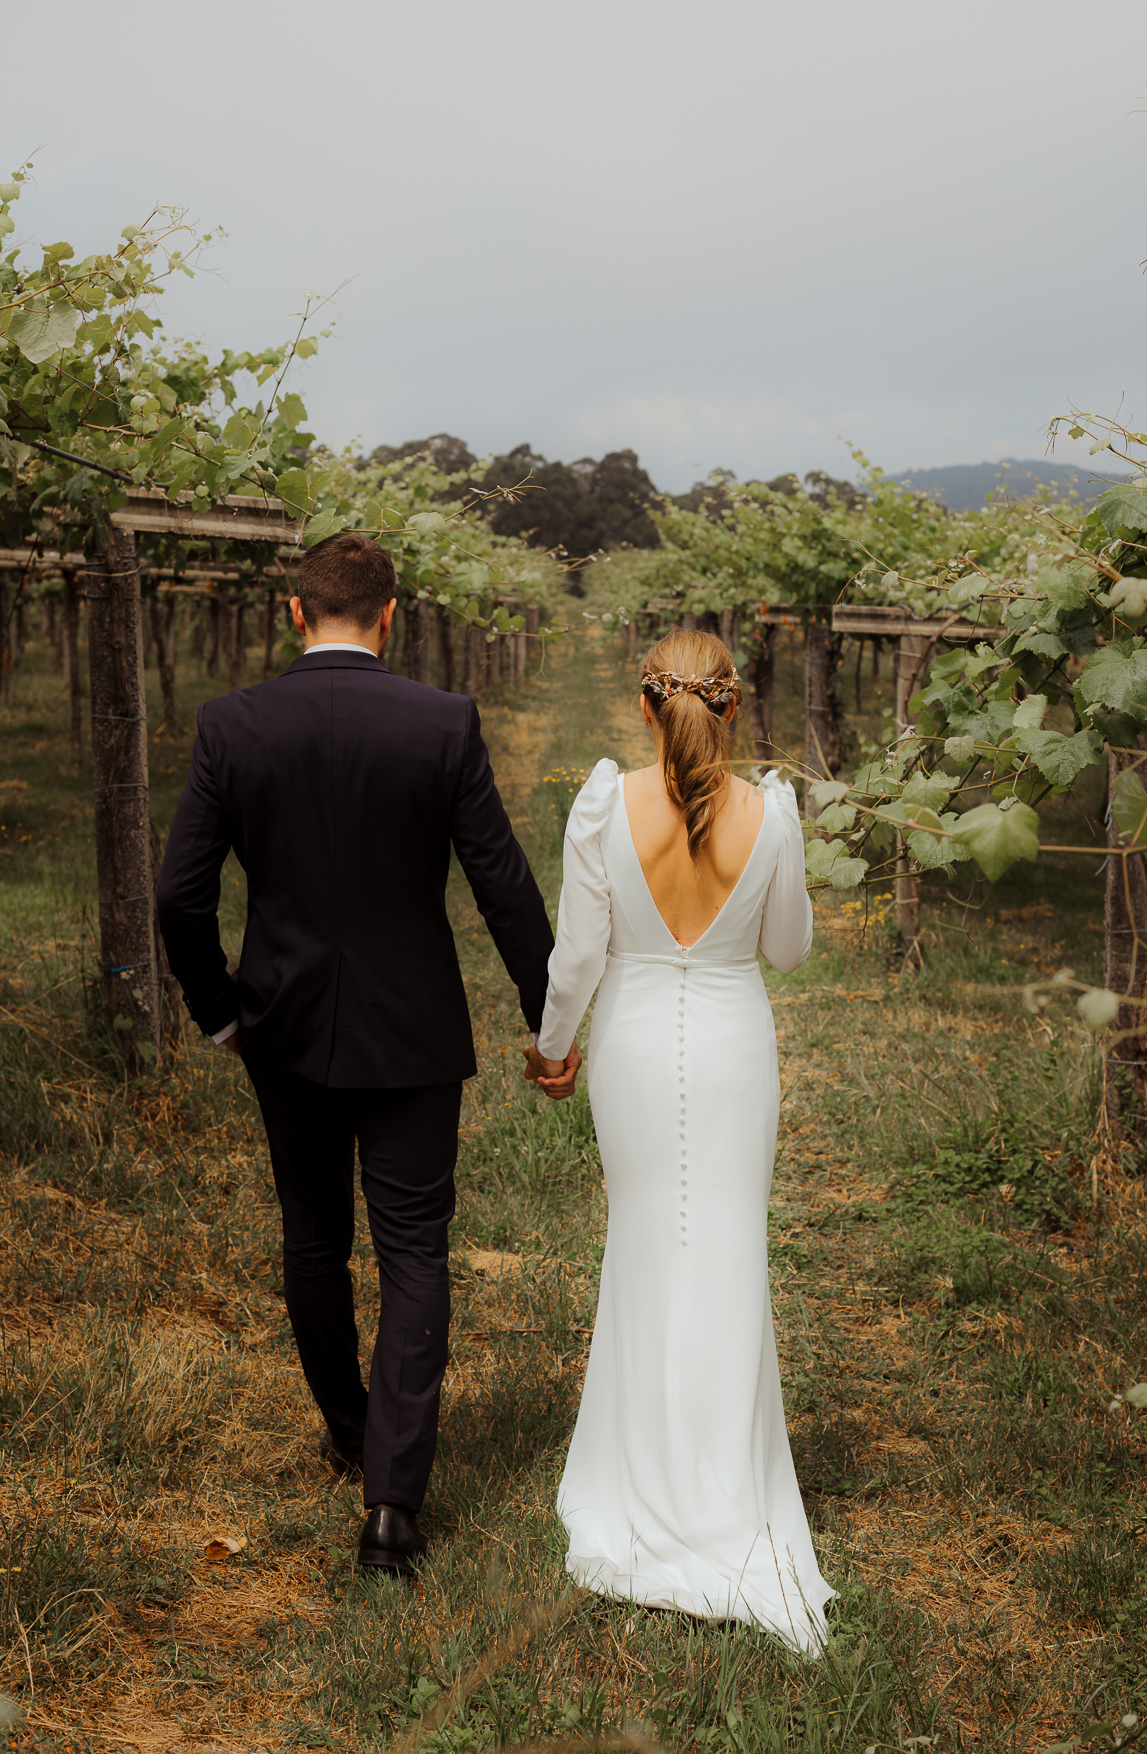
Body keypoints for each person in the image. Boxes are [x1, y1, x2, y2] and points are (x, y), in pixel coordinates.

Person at [157, 532, 566, 1576]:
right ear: (391, 615)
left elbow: (178, 894)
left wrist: (220, 1009)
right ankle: (391, 1504)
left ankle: (347, 1429)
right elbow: (502, 888)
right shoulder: (441, 723)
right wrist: (549, 1020)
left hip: (279, 1025)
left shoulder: (231, 725)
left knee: (310, 1239)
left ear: (296, 614)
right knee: (414, 1250)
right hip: (413, 1029)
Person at [525, 628, 836, 1654]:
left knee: (647, 1245)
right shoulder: (773, 815)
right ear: (732, 707)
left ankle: (641, 1468)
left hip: (635, 1051)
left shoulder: (605, 802)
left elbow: (575, 957)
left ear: (645, 705)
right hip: (735, 1048)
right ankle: (726, 1484)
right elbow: (785, 951)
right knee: (728, 1251)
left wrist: (550, 1049)